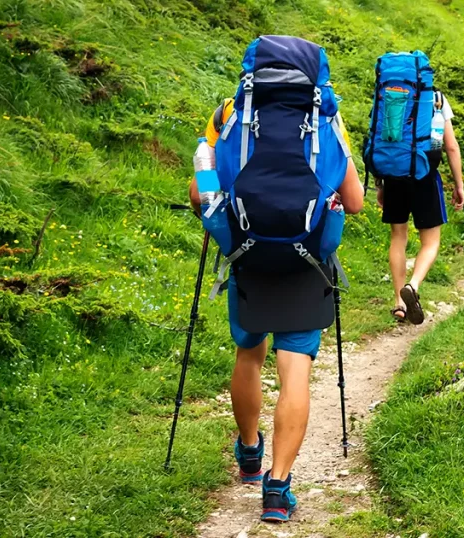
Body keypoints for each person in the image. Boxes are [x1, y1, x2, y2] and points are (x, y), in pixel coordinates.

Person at [188, 92, 363, 520]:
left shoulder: (230, 113)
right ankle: (277, 487)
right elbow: (355, 202)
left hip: (248, 257)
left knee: (249, 354)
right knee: (295, 368)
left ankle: (249, 452)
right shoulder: (327, 118)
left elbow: (198, 194)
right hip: (307, 262)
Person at [377, 90, 464, 324]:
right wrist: (459, 185)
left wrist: (380, 184)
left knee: (398, 238)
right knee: (431, 241)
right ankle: (413, 285)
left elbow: (383, 139)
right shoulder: (436, 98)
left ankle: (399, 303)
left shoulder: (390, 96)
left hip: (394, 176)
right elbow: (451, 146)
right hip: (425, 176)